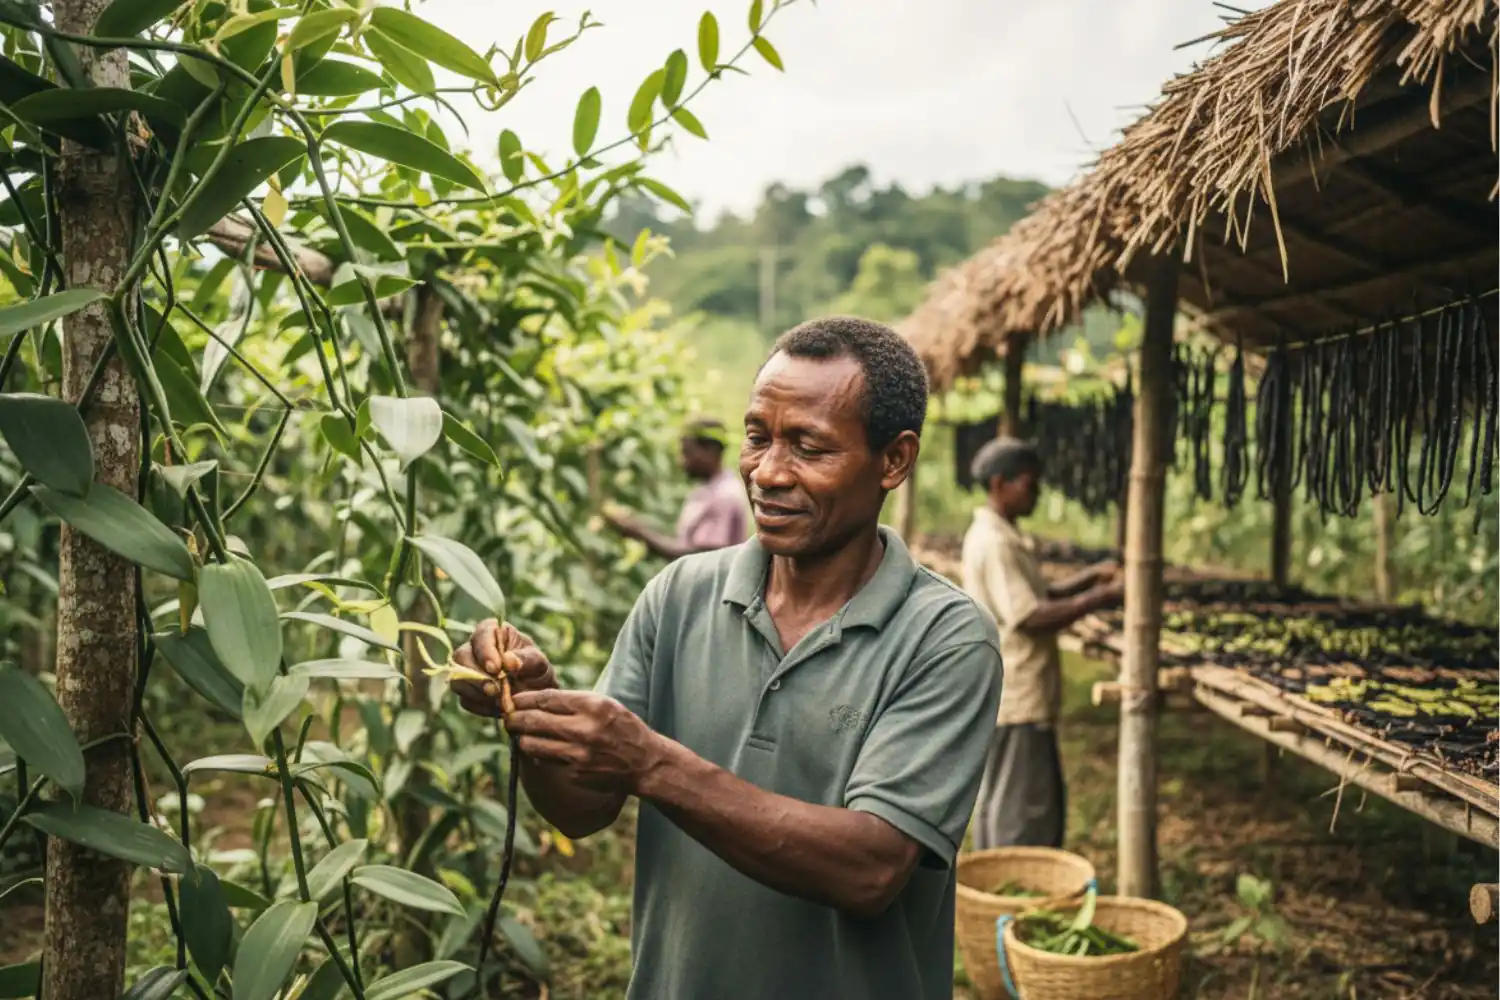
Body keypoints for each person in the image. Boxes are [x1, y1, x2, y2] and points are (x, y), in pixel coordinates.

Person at [452, 316, 1002, 1000]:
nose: (768, 472)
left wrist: (651, 762)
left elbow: (871, 870)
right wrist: (534, 712)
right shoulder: (680, 595)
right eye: (757, 436)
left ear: (894, 460)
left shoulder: (944, 638)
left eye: (809, 446)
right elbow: (582, 811)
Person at [961, 436, 1122, 851]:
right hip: (1017, 692)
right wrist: (1100, 599)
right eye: (1030, 485)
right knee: (1023, 805)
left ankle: (999, 878)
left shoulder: (1002, 535)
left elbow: (1038, 595)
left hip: (1012, 689)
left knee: (1006, 794)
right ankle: (1016, 890)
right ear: (1001, 484)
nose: (1036, 493)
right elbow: (1030, 616)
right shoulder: (995, 543)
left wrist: (1088, 579)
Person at [601, 416, 748, 559]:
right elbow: (686, 543)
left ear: (710, 450)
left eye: (687, 453)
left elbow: (702, 557)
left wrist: (641, 535)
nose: (681, 462)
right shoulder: (706, 490)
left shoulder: (724, 496)